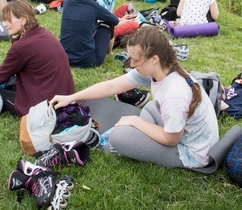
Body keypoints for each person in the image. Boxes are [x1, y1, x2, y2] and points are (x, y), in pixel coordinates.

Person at [51, 26, 218, 169]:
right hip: (186, 135)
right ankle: (138, 139)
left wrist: (136, 122)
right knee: (151, 108)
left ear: (154, 59)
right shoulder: (160, 70)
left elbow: (171, 139)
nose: (131, 64)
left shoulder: (174, 94)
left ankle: (130, 140)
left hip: (190, 152)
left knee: (119, 136)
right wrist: (72, 97)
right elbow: (112, 86)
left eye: (135, 60)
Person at [0, 0, 76, 117]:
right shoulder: (43, 33)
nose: (4, 24)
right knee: (9, 83)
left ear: (23, 19)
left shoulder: (22, 46)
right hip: (63, 96)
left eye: (8, 20)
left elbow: (1, 74)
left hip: (46, 106)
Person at [60, 0, 119, 67]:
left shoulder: (67, 2)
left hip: (65, 56)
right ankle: (109, 52)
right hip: (88, 60)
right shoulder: (94, 6)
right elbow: (115, 21)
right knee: (107, 24)